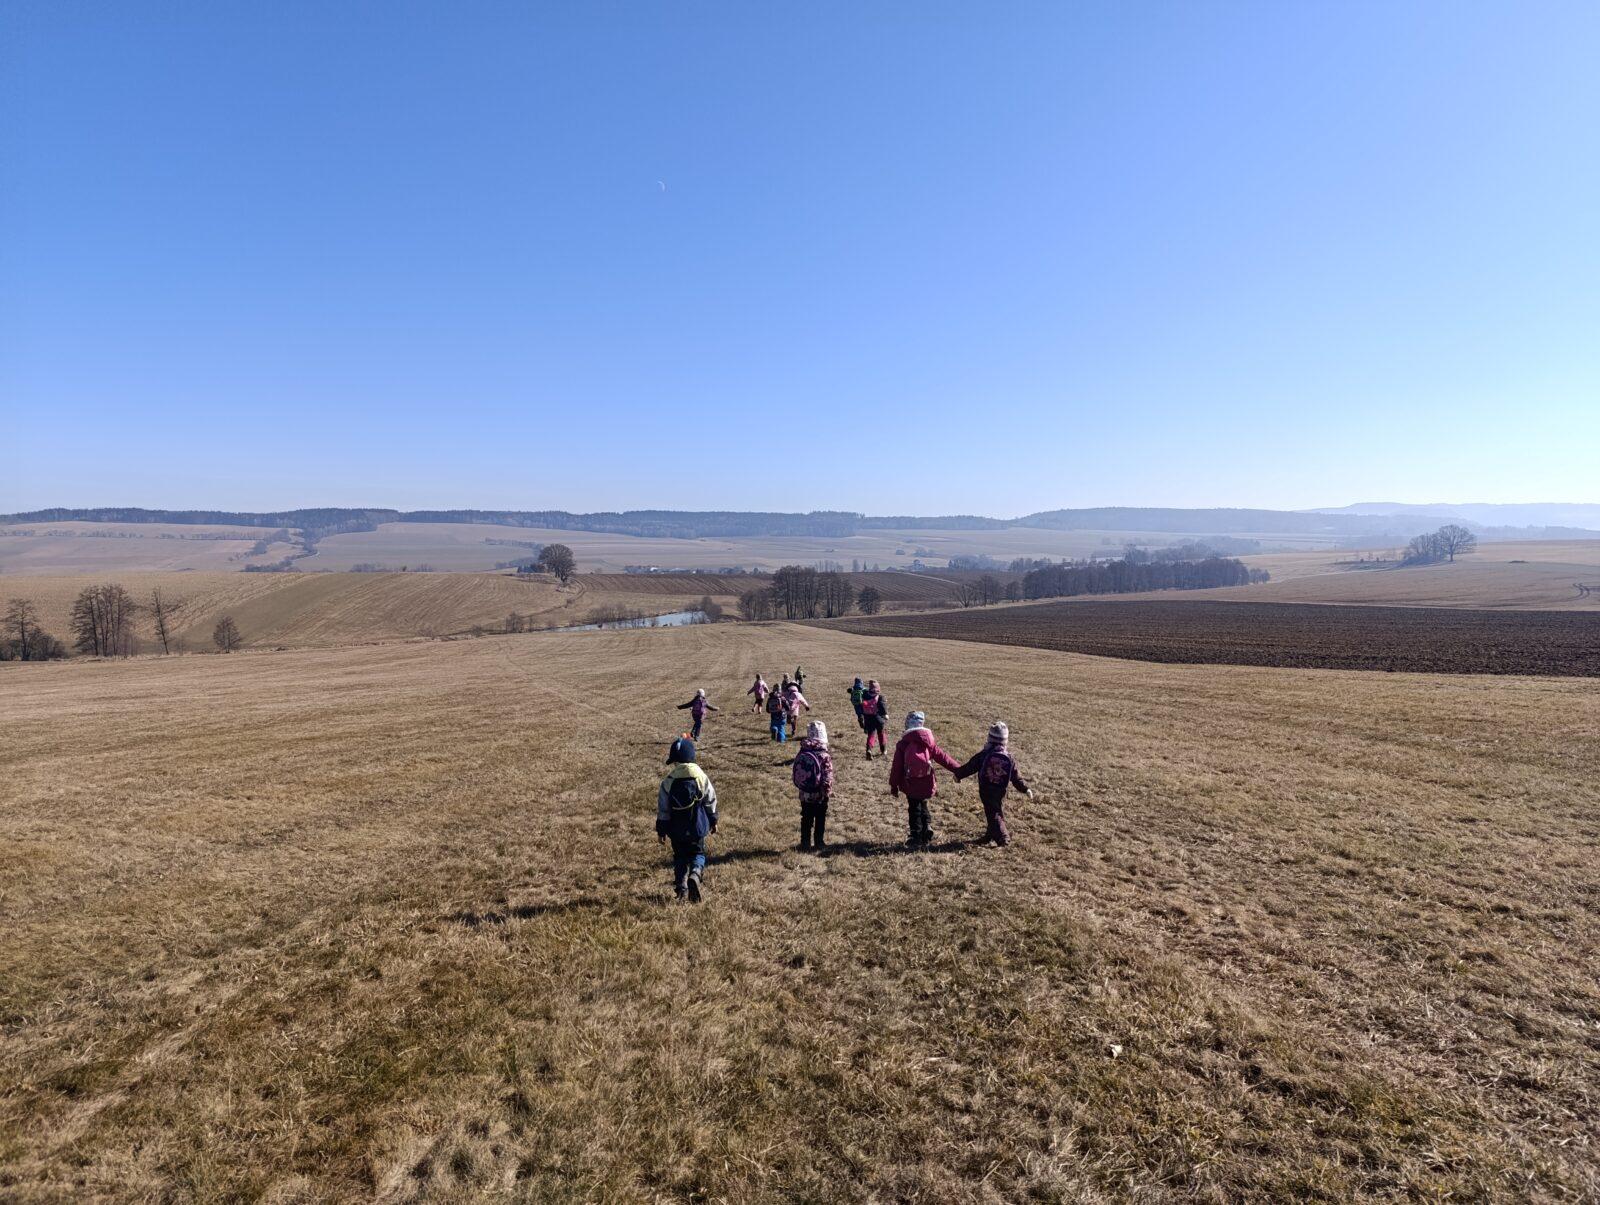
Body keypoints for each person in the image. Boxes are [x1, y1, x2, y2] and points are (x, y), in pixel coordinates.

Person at [657, 737, 718, 901]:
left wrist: (661, 830)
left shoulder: (668, 781)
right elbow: (710, 800)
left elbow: (663, 810)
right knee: (698, 853)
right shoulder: (701, 777)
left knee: (680, 857)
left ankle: (681, 888)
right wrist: (713, 819)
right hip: (697, 828)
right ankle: (695, 873)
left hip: (676, 830)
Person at [888, 711, 961, 847]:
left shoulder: (903, 744)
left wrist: (893, 785)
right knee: (923, 803)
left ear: (907, 725)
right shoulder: (929, 742)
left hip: (910, 782)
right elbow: (943, 757)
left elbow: (896, 767)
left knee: (914, 808)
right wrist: (958, 769)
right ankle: (927, 827)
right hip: (927, 781)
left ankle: (915, 835)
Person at [954, 721, 1032, 846]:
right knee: (994, 810)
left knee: (993, 813)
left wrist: (958, 775)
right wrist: (1025, 788)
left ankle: (1003, 838)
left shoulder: (984, 754)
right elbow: (1016, 777)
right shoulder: (1009, 757)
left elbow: (971, 766)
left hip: (986, 789)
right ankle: (989, 835)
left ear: (990, 738)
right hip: (1001, 790)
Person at [792, 720, 835, 852]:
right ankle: (818, 842)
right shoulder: (824, 755)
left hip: (805, 792)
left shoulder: (803, 750)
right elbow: (827, 775)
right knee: (820, 817)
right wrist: (827, 791)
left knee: (806, 817)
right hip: (820, 793)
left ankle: (805, 842)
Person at [860, 679, 888, 759]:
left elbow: (862, 706)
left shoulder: (865, 695)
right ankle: (883, 750)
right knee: (881, 733)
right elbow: (882, 708)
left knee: (871, 735)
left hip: (868, 719)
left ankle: (869, 749)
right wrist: (885, 715)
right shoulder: (880, 697)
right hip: (878, 719)